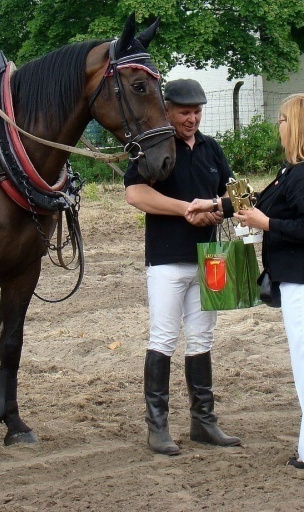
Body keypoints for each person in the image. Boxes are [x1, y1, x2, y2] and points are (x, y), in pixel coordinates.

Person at [188, 93, 304, 469]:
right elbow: (258, 199)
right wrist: (214, 204)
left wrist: (267, 225)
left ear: (295, 126)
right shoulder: (293, 171)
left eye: (281, 120)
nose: (277, 126)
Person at [124, 78, 241, 456]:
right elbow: (135, 193)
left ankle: (203, 421)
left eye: (197, 112)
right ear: (168, 110)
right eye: (185, 112)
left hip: (210, 257)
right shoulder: (153, 147)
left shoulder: (211, 148)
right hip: (167, 259)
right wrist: (186, 208)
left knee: (202, 338)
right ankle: (157, 426)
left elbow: (231, 192)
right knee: (163, 338)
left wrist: (215, 208)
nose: (192, 119)